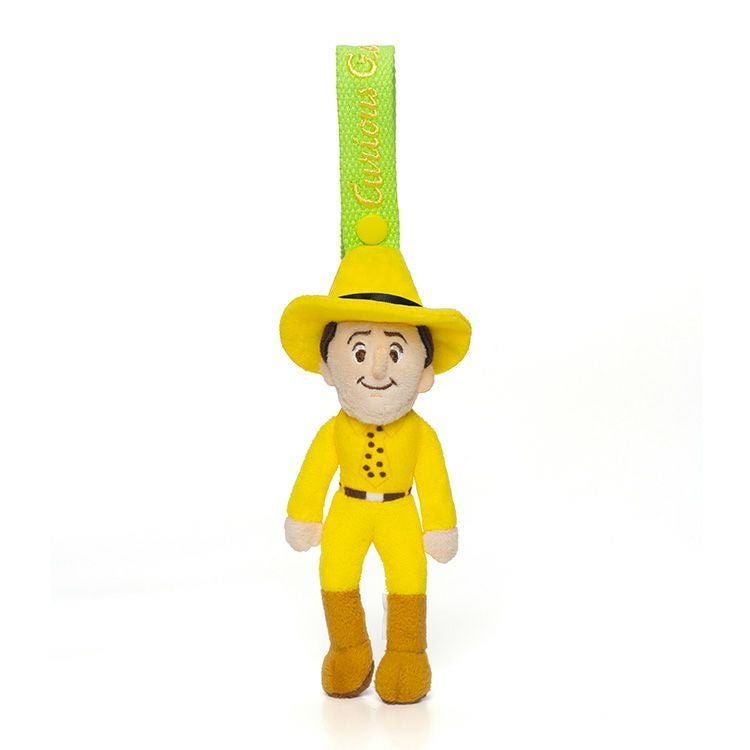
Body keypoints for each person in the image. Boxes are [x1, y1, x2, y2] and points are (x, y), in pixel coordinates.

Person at [279, 240, 471, 704]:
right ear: (329, 366)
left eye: (397, 353)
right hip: (347, 509)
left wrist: (439, 526)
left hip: (400, 512)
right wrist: (304, 514)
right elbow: (314, 474)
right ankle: (348, 649)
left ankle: (406, 654)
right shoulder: (333, 431)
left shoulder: (421, 435)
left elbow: (434, 483)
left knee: (409, 579)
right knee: (335, 575)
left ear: (424, 373)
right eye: (360, 351)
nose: (379, 369)